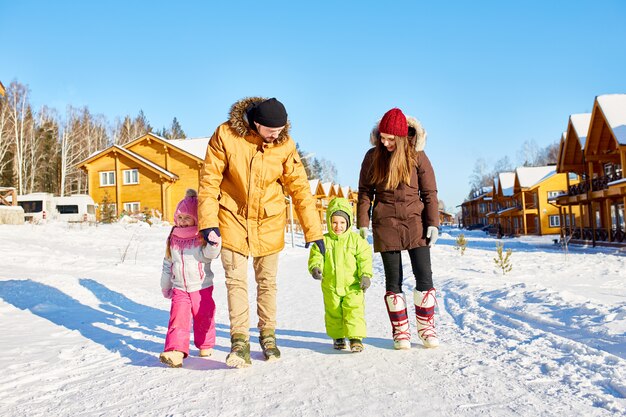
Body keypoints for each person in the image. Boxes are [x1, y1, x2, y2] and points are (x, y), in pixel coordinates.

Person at [198, 97, 324, 368]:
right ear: (256, 124)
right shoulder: (226, 135)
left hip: (269, 221)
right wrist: (208, 221)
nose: (275, 136)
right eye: (270, 132)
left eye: (280, 131)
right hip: (232, 217)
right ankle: (239, 341)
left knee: (267, 282)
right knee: (236, 281)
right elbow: (209, 180)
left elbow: (300, 188)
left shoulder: (285, 145)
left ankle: (268, 335)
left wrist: (314, 232)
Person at [357, 108, 441, 350]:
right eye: (382, 137)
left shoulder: (418, 157)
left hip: (416, 223)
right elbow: (365, 192)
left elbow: (430, 193)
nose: (385, 142)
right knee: (393, 281)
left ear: (402, 138)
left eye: (390, 139)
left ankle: (426, 329)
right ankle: (401, 331)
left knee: (424, 276)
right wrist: (362, 222)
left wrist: (433, 223)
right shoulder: (373, 157)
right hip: (386, 224)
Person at [159, 189, 222, 368]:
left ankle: (205, 344)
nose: (182, 221)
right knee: (177, 319)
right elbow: (167, 263)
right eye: (179, 217)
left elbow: (209, 255)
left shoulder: (199, 237)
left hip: (201, 287)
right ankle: (176, 352)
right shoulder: (173, 238)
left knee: (203, 317)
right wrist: (166, 285)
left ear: (196, 218)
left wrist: (214, 242)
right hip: (180, 288)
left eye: (187, 218)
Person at [308, 197, 373, 353]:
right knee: (333, 312)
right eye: (335, 222)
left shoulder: (357, 240)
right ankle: (338, 337)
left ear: (349, 222)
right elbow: (317, 256)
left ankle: (355, 338)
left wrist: (365, 275)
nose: (338, 226)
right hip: (330, 285)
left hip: (353, 285)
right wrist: (315, 267)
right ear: (329, 221)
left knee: (354, 310)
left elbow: (364, 258)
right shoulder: (323, 240)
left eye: (342, 222)